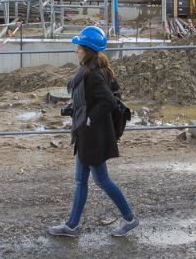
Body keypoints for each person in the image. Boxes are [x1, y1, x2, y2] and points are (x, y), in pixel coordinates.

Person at [48, 26, 139, 238]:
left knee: (101, 180)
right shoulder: (90, 71)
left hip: (92, 136)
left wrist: (89, 117)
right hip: (87, 134)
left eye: (78, 47)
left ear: (87, 50)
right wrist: (77, 109)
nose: (76, 50)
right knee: (82, 180)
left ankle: (129, 218)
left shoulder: (93, 75)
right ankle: (72, 225)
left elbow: (107, 100)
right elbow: (92, 99)